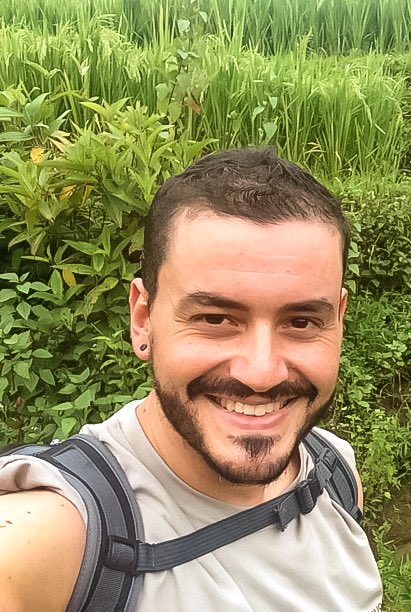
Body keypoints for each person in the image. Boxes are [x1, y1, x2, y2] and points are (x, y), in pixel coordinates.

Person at [0, 148, 384, 611]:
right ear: (143, 319)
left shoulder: (333, 474)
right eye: (216, 318)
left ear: (339, 321)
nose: (261, 373)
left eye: (301, 322)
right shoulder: (54, 540)